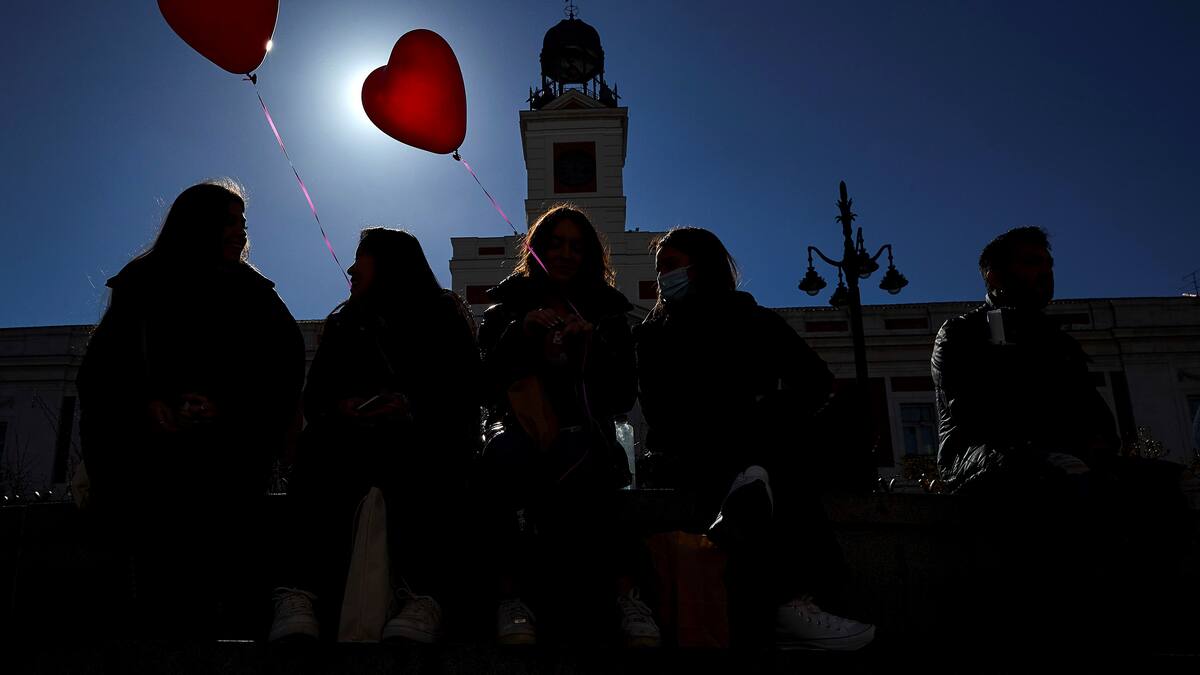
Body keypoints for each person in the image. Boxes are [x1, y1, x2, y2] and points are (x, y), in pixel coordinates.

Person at [931, 226, 1193, 649]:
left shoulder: (1058, 341)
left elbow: (1097, 418)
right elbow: (976, 414)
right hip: (983, 455)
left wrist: (1093, 447)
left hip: (1063, 455)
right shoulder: (962, 333)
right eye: (1032, 263)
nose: (1046, 273)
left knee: (1160, 483)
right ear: (994, 276)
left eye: (1049, 263)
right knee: (1050, 480)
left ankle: (1161, 624)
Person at [77, 179, 305, 638]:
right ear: (200, 224)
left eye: (243, 222)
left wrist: (229, 408)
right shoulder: (142, 284)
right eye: (230, 221)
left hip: (230, 463)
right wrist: (148, 405)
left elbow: (283, 369)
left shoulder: (255, 294)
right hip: (148, 466)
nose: (241, 231)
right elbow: (102, 371)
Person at [634, 227, 875, 650]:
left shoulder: (753, 318)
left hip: (758, 441)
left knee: (776, 434)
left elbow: (816, 382)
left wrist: (765, 410)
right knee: (768, 453)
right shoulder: (654, 335)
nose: (662, 278)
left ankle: (753, 490)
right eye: (659, 269)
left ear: (701, 266)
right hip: (689, 449)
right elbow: (662, 415)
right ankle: (793, 602)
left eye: (670, 265)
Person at [269, 228, 481, 643]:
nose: (350, 268)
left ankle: (423, 594)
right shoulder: (343, 324)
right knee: (317, 447)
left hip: (421, 440)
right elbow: (317, 400)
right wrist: (345, 407)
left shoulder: (443, 316)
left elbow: (465, 391)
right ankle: (299, 593)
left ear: (388, 262)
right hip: (353, 441)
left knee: (428, 458)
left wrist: (410, 405)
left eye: (360, 256)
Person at [474, 205, 660, 647]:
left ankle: (626, 596)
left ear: (590, 255)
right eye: (555, 243)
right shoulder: (505, 311)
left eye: (576, 246)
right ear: (537, 250)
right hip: (520, 436)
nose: (564, 254)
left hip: (586, 438)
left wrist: (591, 346)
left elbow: (621, 396)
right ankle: (510, 598)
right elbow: (483, 386)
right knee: (501, 463)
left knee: (598, 466)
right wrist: (520, 334)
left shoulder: (611, 314)